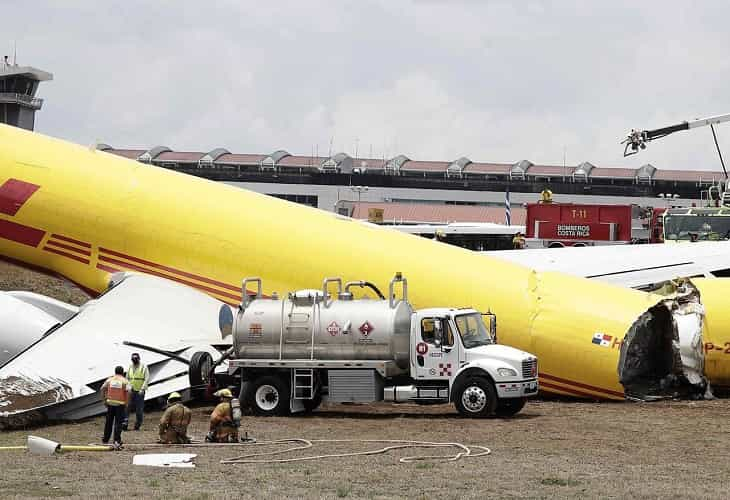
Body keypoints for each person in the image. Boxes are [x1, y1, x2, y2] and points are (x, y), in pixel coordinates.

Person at [100, 366, 129, 447]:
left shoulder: (110, 380)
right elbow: (129, 391)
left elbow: (102, 388)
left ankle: (105, 439)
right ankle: (116, 440)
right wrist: (127, 402)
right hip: (120, 404)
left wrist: (104, 400)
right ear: (123, 372)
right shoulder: (125, 381)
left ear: (115, 372)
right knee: (118, 423)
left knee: (108, 422)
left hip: (110, 404)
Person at [123, 352, 149, 431]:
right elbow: (127, 378)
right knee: (127, 407)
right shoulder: (130, 367)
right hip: (131, 390)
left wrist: (142, 389)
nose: (134, 360)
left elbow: (147, 378)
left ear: (138, 359)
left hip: (139, 391)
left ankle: (137, 424)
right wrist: (127, 387)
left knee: (139, 409)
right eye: (133, 359)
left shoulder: (143, 367)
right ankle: (125, 423)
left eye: (135, 359)